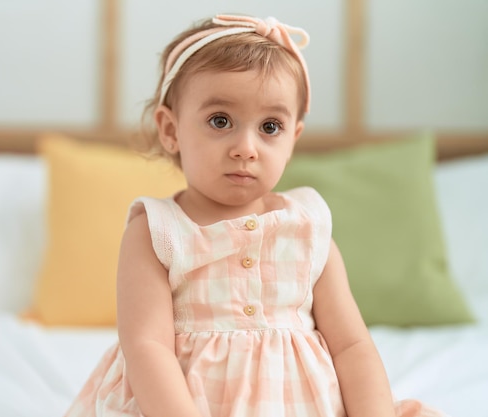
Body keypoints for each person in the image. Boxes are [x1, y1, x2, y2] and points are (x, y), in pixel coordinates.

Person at [65, 14, 447, 417]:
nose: (246, 147)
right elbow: (147, 347)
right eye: (220, 121)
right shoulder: (157, 231)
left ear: (292, 138)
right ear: (171, 129)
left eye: (270, 126)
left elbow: (352, 346)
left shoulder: (308, 229)